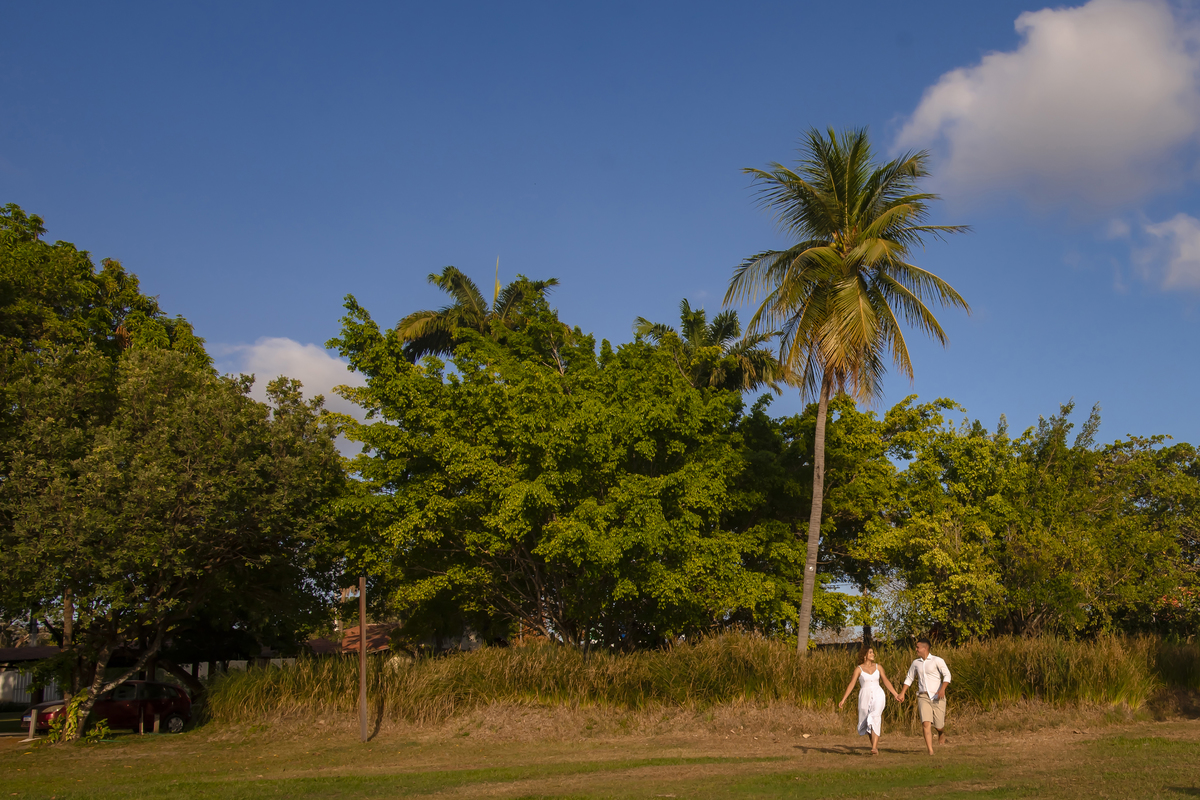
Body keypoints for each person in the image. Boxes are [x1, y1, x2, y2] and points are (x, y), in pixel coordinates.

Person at [837, 644, 900, 755]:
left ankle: (875, 748)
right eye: (870, 652)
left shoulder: (878, 667)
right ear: (865, 655)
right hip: (864, 696)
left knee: (875, 716)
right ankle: (874, 746)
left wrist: (895, 694)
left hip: (878, 693)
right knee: (867, 722)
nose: (873, 654)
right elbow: (851, 684)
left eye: (873, 652)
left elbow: (885, 681)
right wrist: (843, 699)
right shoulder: (859, 669)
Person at [897, 636, 952, 755]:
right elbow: (909, 678)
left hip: (938, 697)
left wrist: (942, 689)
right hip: (923, 696)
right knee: (926, 723)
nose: (916, 649)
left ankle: (941, 733)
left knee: (938, 725)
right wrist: (902, 693)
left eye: (917, 647)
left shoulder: (937, 660)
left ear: (925, 648)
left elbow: (947, 675)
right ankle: (930, 750)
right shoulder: (915, 663)